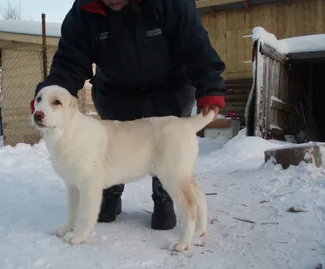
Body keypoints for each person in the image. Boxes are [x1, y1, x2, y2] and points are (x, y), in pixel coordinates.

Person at [33, 0, 226, 231]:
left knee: (164, 150)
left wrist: (211, 87)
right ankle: (110, 192)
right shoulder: (83, 10)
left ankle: (164, 197)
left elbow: (195, 43)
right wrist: (49, 96)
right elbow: (69, 61)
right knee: (114, 146)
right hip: (115, 91)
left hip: (169, 87)